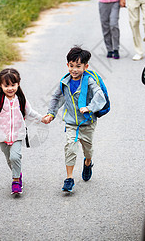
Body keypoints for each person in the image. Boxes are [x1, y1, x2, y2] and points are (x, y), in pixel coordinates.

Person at [43, 46, 107, 192]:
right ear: (67, 65)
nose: (74, 69)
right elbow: (56, 97)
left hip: (87, 123)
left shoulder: (89, 81)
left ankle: (88, 162)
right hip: (71, 123)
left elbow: (99, 96)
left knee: (88, 150)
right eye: (71, 66)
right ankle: (69, 178)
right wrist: (51, 113)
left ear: (86, 66)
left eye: (78, 66)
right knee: (70, 147)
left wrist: (89, 107)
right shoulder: (65, 81)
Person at [0, 68, 46, 195]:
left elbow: (30, 112)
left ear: (18, 84)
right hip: (2, 135)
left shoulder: (21, 99)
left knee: (15, 156)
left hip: (17, 134)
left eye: (13, 85)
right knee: (9, 159)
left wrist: (41, 118)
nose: (10, 88)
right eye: (6, 85)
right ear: (1, 85)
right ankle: (18, 173)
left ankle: (16, 180)